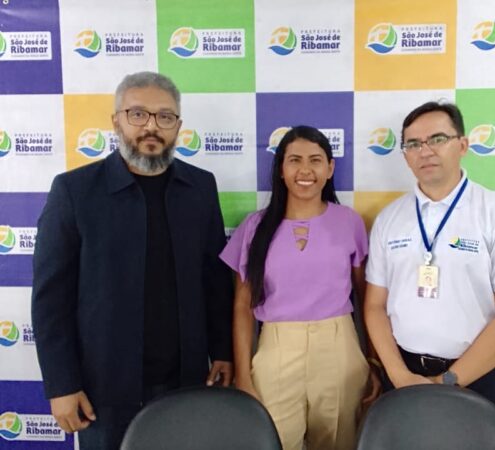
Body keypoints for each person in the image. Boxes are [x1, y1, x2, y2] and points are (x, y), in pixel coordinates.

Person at [31, 71, 233, 450]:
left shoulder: (201, 187)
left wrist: (222, 351)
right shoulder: (74, 191)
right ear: (117, 121)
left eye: (165, 117)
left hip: (186, 381)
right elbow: (50, 299)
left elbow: (214, 281)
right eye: (138, 114)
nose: (151, 127)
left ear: (178, 126)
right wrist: (61, 384)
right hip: (103, 389)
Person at [364, 101, 495, 425]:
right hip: (403, 375)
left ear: (462, 145)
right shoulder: (390, 219)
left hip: (477, 377)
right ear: (404, 155)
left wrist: (446, 381)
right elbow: (374, 305)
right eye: (413, 144)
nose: (425, 150)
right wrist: (398, 374)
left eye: (437, 139)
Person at [220, 126, 381, 450]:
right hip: (276, 350)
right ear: (281, 169)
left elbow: (367, 298)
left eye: (315, 160)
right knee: (275, 442)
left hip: (339, 348)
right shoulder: (255, 226)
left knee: (339, 440)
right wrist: (243, 376)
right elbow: (242, 306)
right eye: (294, 160)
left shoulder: (349, 222)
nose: (305, 170)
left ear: (330, 168)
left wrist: (374, 361)